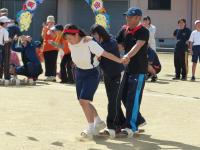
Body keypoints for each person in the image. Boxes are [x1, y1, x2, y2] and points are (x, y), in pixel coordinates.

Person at [63, 24, 128, 139]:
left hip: (91, 74)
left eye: (69, 38)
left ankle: (91, 128)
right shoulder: (71, 42)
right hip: (79, 72)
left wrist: (120, 60)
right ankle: (98, 121)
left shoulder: (90, 43)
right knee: (83, 102)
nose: (68, 41)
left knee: (84, 101)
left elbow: (106, 54)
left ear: (76, 34)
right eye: (67, 39)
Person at [116, 7, 149, 136]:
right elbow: (117, 45)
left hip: (139, 70)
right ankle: (138, 119)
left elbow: (138, 45)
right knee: (122, 95)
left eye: (130, 17)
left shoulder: (143, 31)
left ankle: (131, 126)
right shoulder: (124, 30)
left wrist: (127, 56)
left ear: (138, 18)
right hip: (127, 69)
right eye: (127, 16)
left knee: (133, 98)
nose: (127, 19)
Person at [90, 24, 126, 136]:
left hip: (117, 74)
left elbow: (98, 52)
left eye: (95, 34)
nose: (94, 37)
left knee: (113, 101)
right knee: (113, 100)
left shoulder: (110, 42)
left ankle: (112, 127)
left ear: (100, 33)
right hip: (108, 75)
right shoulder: (100, 43)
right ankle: (122, 123)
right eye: (92, 35)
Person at [42, 15, 58, 82]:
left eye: (51, 22)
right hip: (46, 47)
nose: (50, 23)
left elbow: (54, 36)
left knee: (53, 62)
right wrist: (45, 29)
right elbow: (43, 36)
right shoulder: (45, 28)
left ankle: (53, 76)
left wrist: (49, 30)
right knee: (47, 62)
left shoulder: (55, 28)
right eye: (49, 22)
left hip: (54, 47)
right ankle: (48, 76)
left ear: (54, 22)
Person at [0, 16, 10, 83]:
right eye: (6, 23)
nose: (7, 24)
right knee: (2, 62)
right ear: (3, 23)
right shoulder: (5, 30)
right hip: (1, 47)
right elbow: (6, 41)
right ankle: (4, 78)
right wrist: (12, 39)